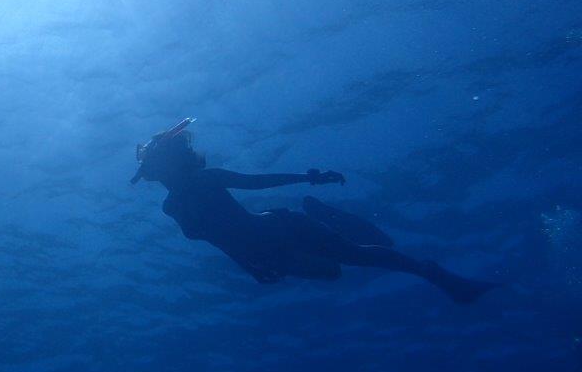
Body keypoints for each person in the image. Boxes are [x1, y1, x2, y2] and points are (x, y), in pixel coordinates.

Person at [131, 118, 499, 303]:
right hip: (268, 251)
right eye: (150, 166)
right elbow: (218, 240)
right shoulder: (172, 206)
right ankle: (330, 221)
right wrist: (249, 266)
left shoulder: (206, 179)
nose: (152, 171)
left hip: (280, 229)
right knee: (333, 272)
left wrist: (311, 177)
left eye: (154, 163)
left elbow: (258, 182)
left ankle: (430, 272)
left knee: (357, 256)